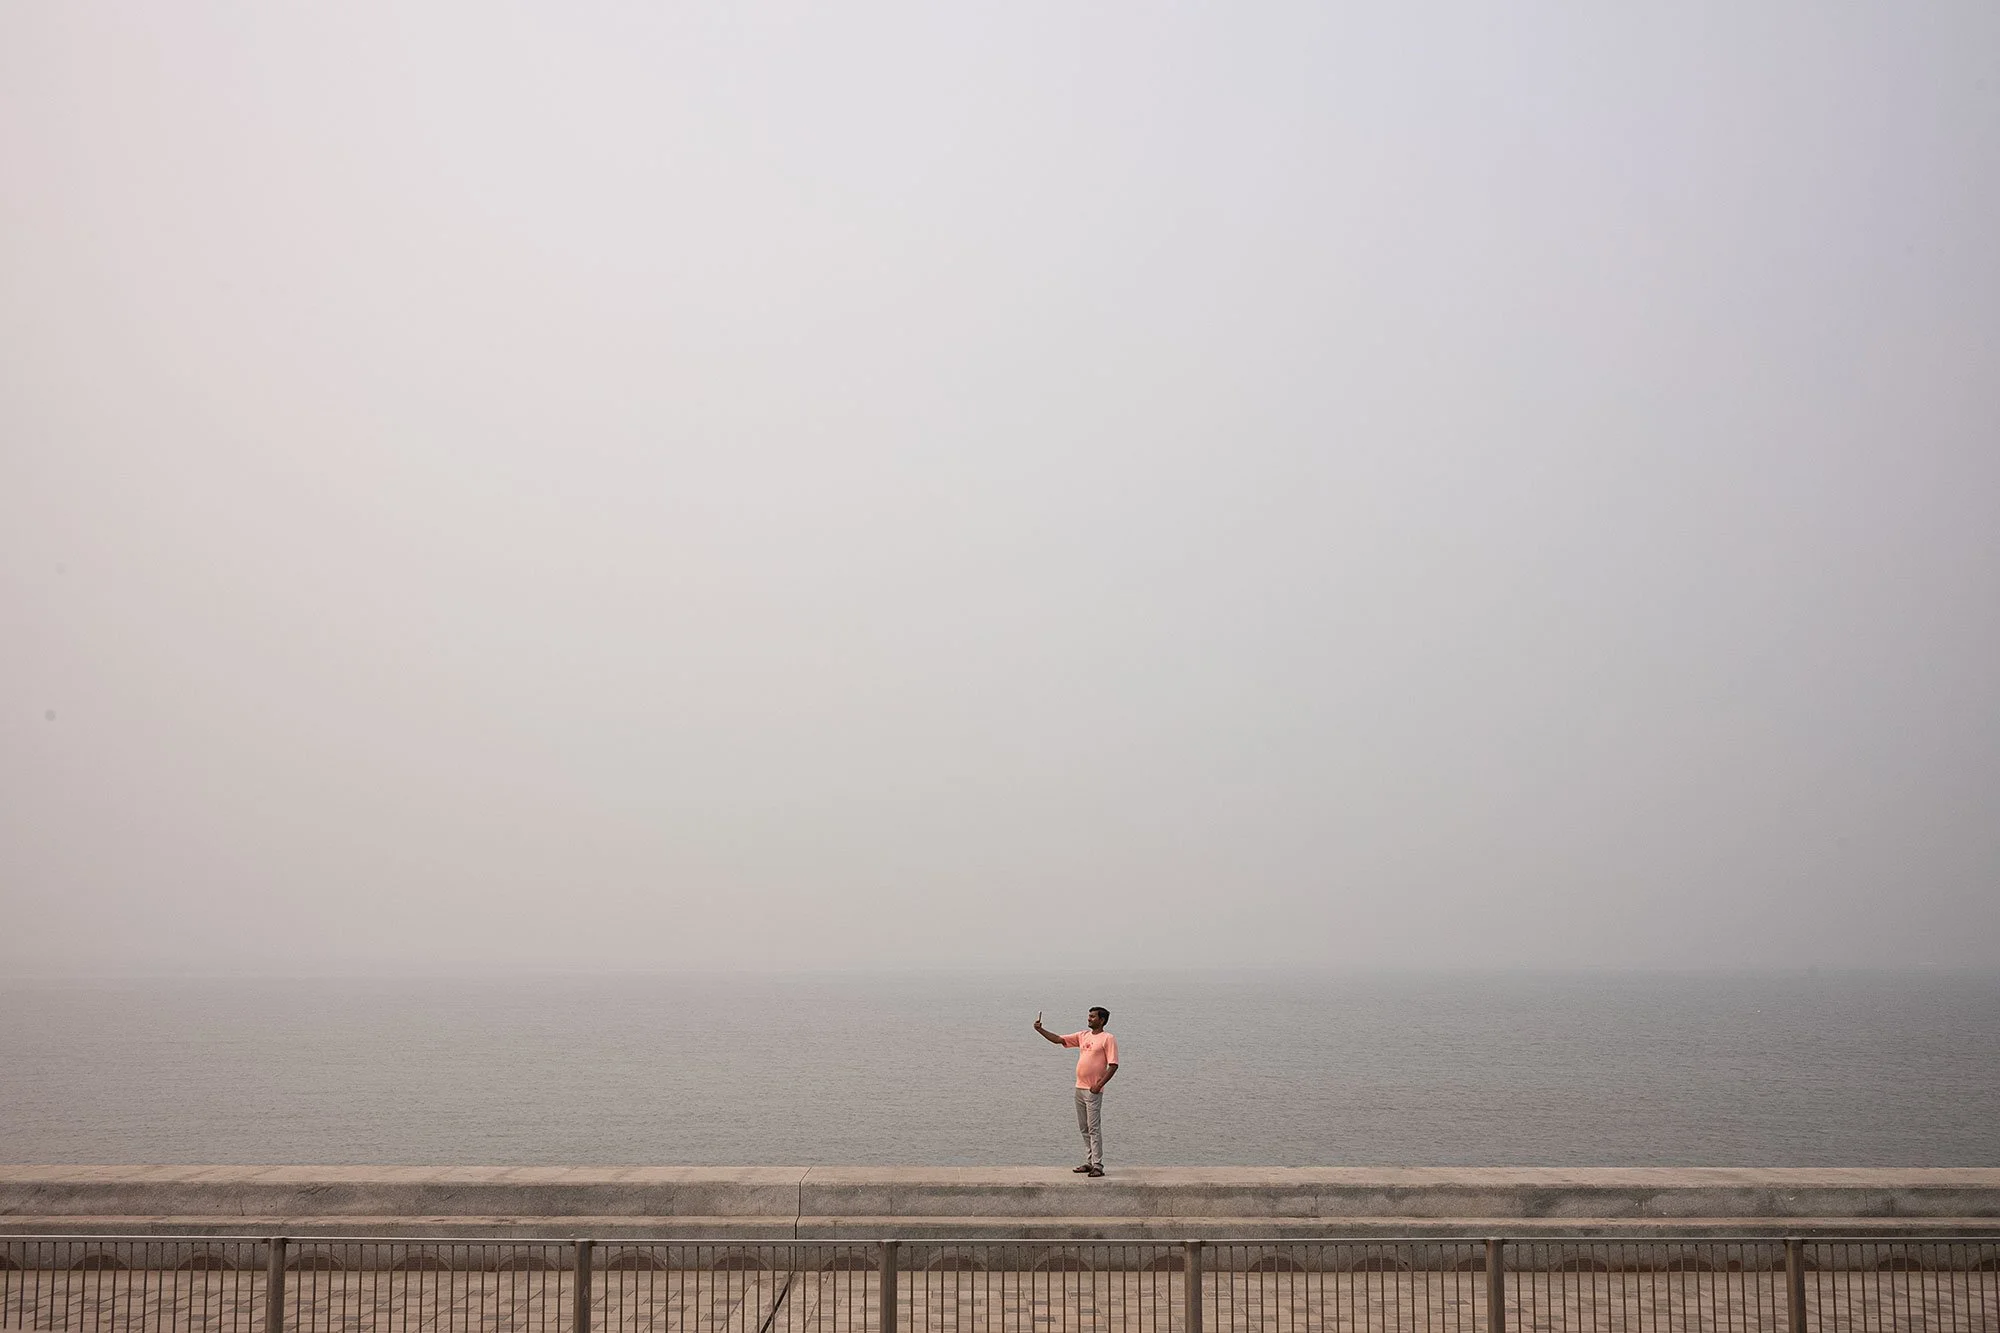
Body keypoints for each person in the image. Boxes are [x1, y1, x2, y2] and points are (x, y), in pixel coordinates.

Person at [1032, 1006, 1118, 1176]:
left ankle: (1098, 1165)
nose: (1089, 1019)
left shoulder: (1108, 1038)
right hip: (1079, 1087)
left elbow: (1113, 1065)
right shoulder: (1082, 1035)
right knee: (1084, 1127)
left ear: (1101, 1020)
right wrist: (1040, 1030)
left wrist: (1099, 1085)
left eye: (1093, 1017)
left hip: (1093, 1090)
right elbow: (1058, 1040)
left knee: (1093, 1128)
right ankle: (1089, 1161)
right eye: (1089, 1016)